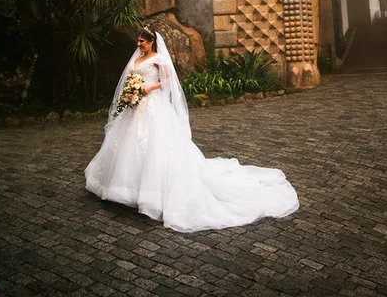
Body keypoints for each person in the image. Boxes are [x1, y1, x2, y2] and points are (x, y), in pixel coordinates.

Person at [85, 27, 299, 232]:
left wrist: (150, 87)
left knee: (156, 147)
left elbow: (168, 80)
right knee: (128, 145)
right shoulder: (138, 58)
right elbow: (131, 76)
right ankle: (124, 188)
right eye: (138, 41)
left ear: (151, 42)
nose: (138, 44)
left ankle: (151, 193)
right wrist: (131, 91)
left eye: (142, 41)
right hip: (136, 107)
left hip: (153, 106)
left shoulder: (159, 59)